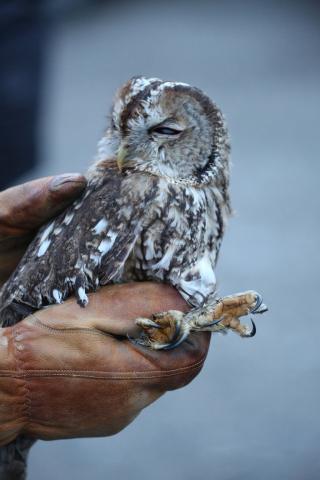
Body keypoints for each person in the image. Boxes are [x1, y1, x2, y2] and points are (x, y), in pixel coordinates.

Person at [0, 173, 211, 478]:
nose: (127, 147)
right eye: (118, 130)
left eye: (166, 132)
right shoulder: (113, 195)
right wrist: (16, 376)